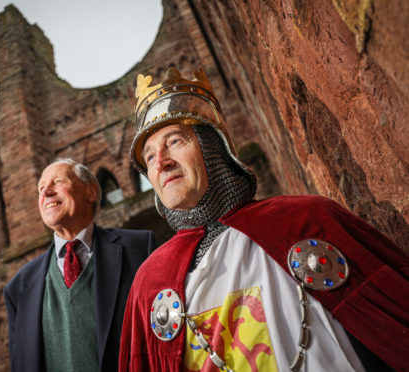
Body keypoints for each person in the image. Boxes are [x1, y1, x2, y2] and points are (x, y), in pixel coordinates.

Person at [119, 67, 409, 371]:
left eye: (175, 142)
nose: (161, 163)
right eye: (149, 157)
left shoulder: (307, 219)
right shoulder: (149, 283)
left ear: (212, 146)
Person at [4, 158, 157, 372]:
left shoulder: (138, 248)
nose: (46, 192)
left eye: (57, 182)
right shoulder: (18, 287)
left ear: (91, 192)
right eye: (41, 188)